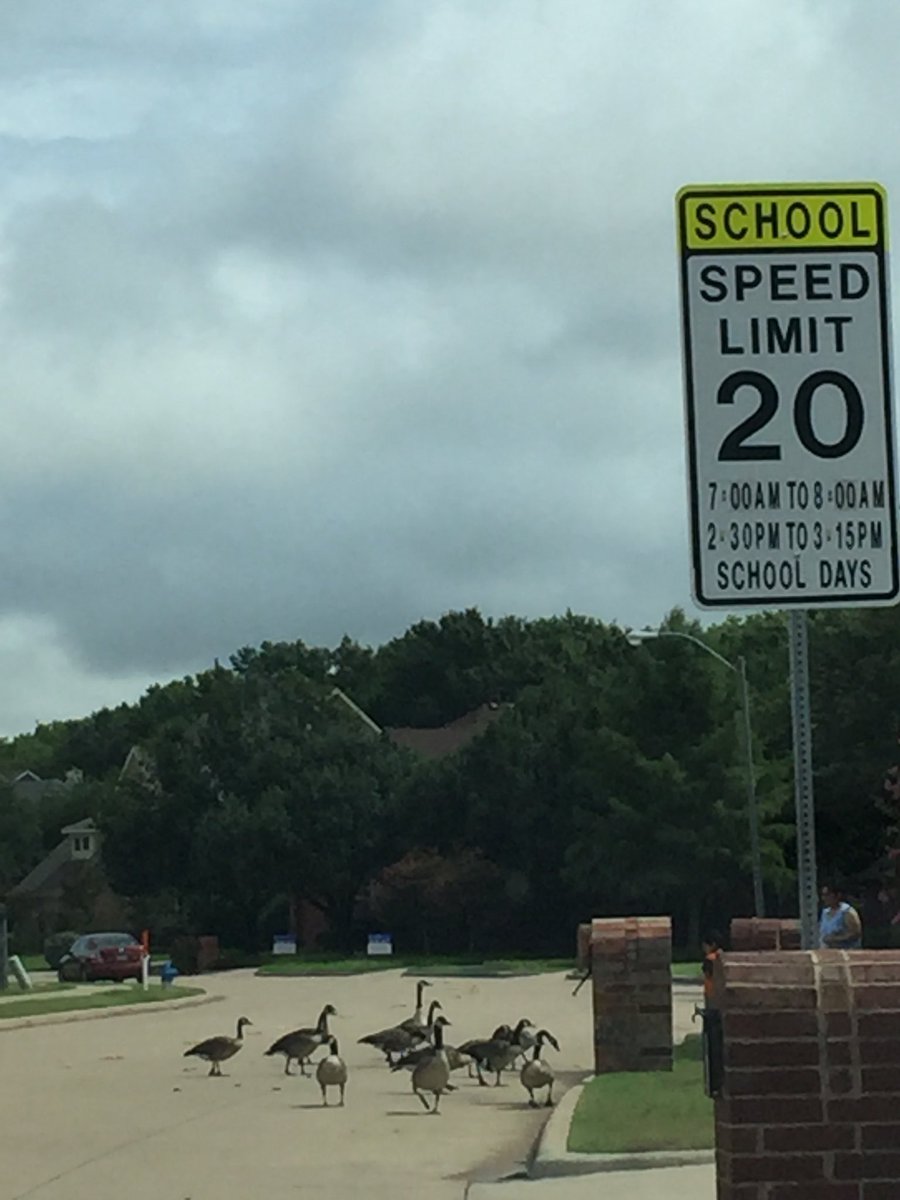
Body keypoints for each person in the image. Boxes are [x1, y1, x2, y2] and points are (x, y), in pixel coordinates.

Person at [819, 884, 862, 949]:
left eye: (827, 895)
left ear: (838, 895)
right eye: (823, 895)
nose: (824, 898)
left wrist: (836, 938)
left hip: (845, 951)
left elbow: (855, 934)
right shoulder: (825, 913)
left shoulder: (847, 912)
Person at [701, 930, 723, 1008]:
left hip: (711, 994)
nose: (704, 949)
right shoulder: (722, 957)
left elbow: (707, 974)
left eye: (705, 946)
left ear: (713, 945)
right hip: (722, 994)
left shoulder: (709, 959)